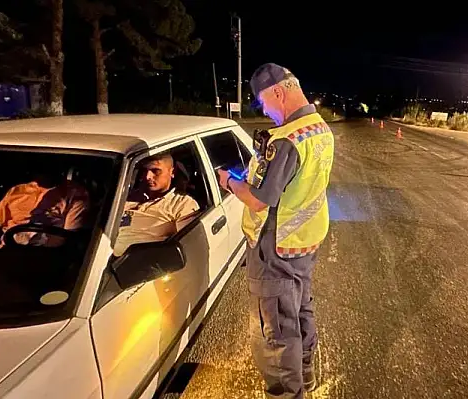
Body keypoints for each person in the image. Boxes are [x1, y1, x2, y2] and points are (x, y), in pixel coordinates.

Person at [217, 63, 334, 398]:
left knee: (278, 333)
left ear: (278, 92)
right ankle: (307, 375)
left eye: (263, 103)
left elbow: (258, 200)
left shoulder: (285, 139)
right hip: (305, 242)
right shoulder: (319, 128)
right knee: (300, 310)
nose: (265, 111)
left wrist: (229, 181)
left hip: (276, 248)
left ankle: (288, 392)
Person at [113, 153, 199, 257]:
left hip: (142, 264)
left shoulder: (182, 204)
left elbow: (188, 246)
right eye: (144, 171)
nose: (147, 176)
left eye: (155, 171)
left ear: (172, 172)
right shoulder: (126, 196)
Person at [0, 168, 90, 247]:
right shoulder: (17, 190)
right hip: (8, 248)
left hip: (45, 256)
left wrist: (37, 239)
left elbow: (68, 237)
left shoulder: (76, 194)